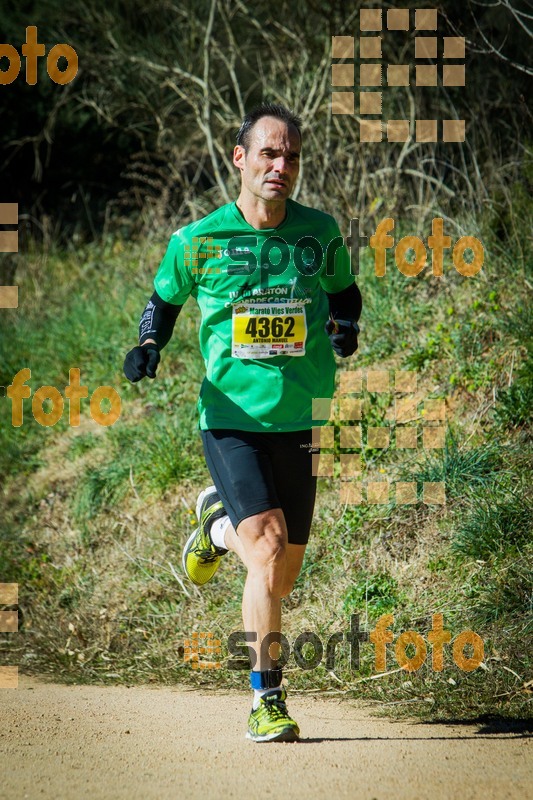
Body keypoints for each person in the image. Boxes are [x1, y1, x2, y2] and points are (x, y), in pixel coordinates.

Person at [123, 103, 362, 742]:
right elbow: (163, 303)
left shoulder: (319, 233)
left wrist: (346, 328)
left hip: (303, 416)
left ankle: (217, 526)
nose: (280, 167)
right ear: (240, 158)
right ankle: (267, 699)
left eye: (290, 158)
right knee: (268, 550)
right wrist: (148, 347)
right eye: (268, 154)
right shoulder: (198, 240)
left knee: (279, 575)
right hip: (230, 416)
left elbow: (344, 291)